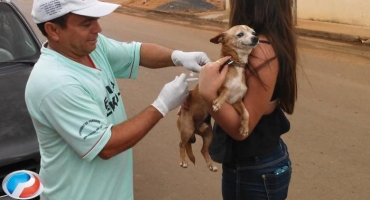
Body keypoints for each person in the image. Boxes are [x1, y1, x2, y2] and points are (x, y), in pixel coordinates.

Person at [25, 0, 211, 199]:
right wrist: (161, 105)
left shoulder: (90, 48)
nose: (98, 28)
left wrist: (178, 56)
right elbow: (106, 146)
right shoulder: (56, 83)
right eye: (87, 24)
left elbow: (135, 53)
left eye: (96, 20)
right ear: (53, 30)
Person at [197, 0, 297, 199]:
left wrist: (207, 94)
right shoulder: (271, 42)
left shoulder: (259, 50)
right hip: (263, 162)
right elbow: (235, 92)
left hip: (254, 169)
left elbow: (241, 129)